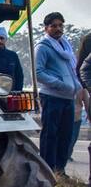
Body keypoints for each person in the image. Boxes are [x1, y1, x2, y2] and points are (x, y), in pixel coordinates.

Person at [35, 12, 81, 177]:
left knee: (65, 135)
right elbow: (38, 73)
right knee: (50, 135)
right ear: (46, 28)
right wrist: (60, 84)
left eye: (60, 25)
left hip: (68, 98)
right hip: (52, 96)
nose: (58, 29)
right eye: (53, 26)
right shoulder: (42, 47)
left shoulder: (65, 46)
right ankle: (47, 170)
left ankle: (60, 170)